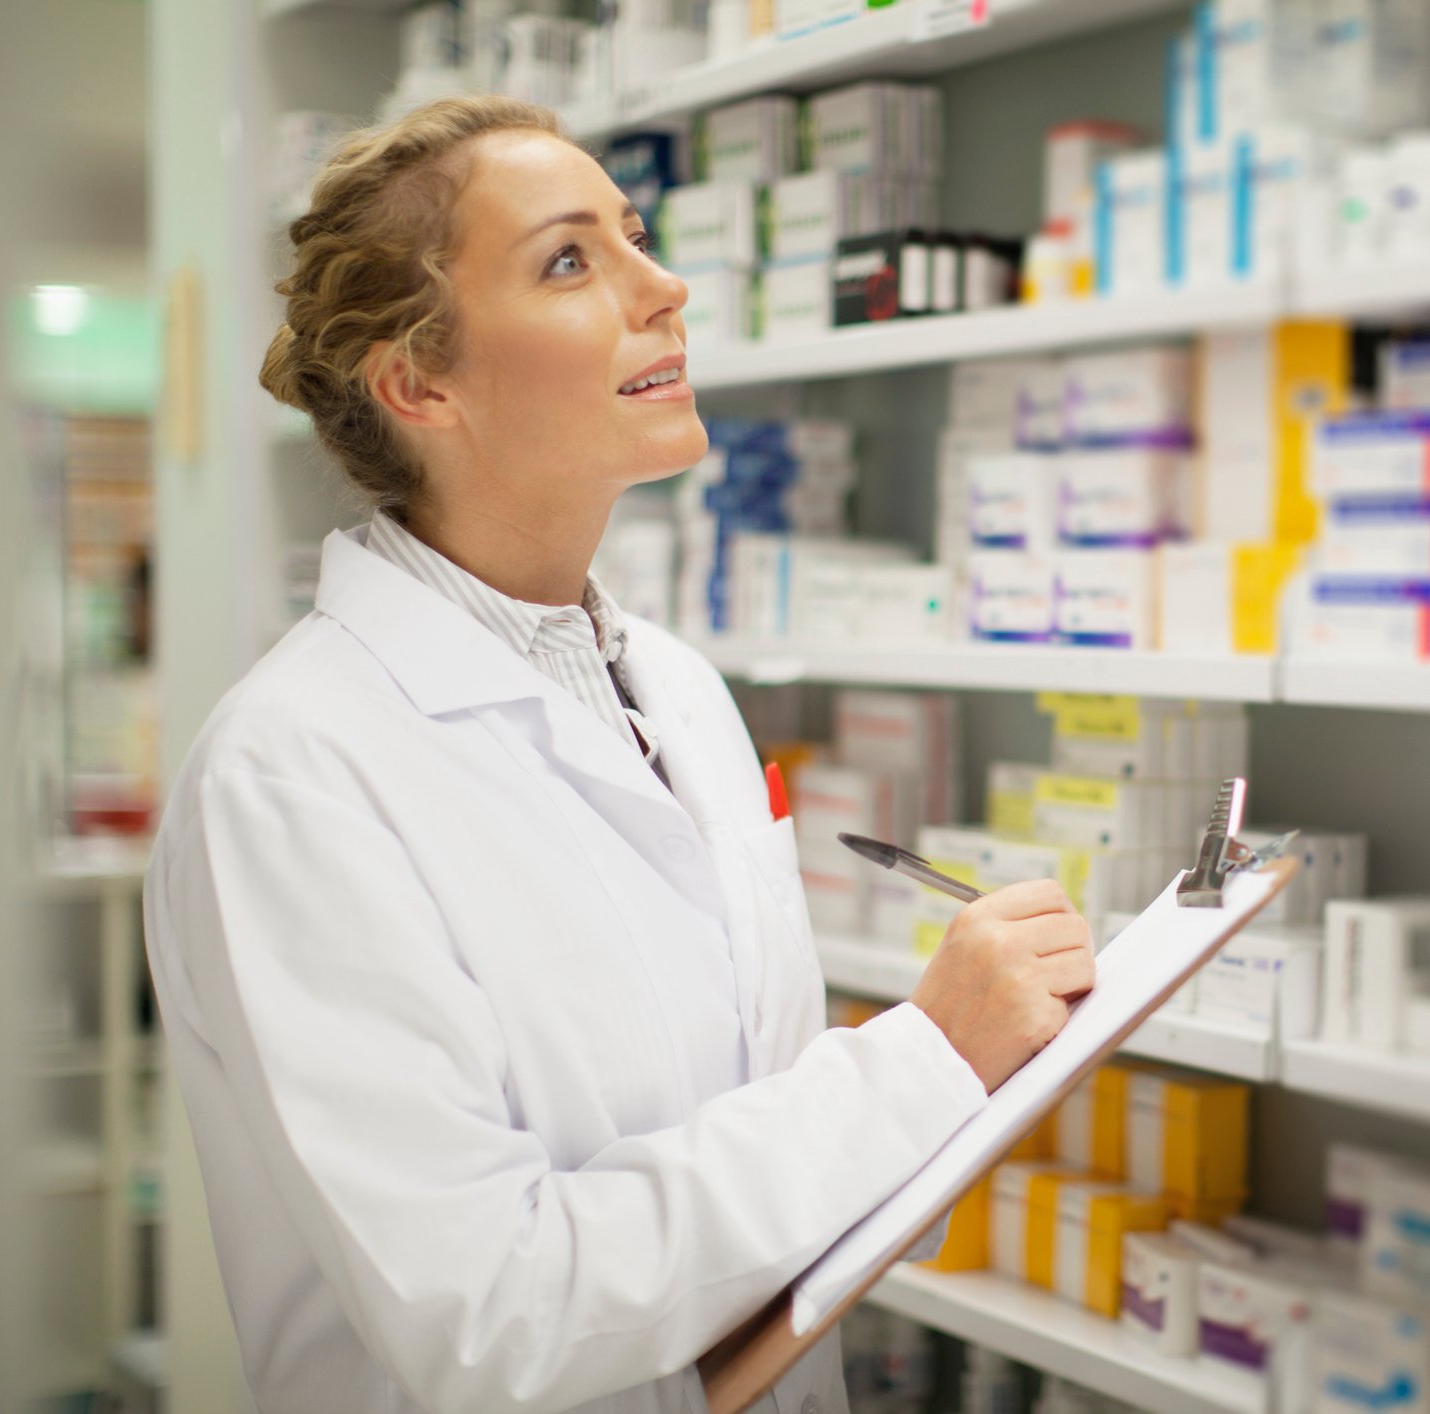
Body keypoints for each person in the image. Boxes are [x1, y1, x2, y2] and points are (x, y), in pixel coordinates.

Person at [143, 94, 1095, 1414]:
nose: (666, 287)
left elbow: (756, 1136)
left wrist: (959, 1084)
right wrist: (922, 1059)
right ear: (419, 381)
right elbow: (489, 1315)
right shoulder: (290, 772)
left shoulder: (680, 691)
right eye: (571, 260)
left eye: (635, 235)